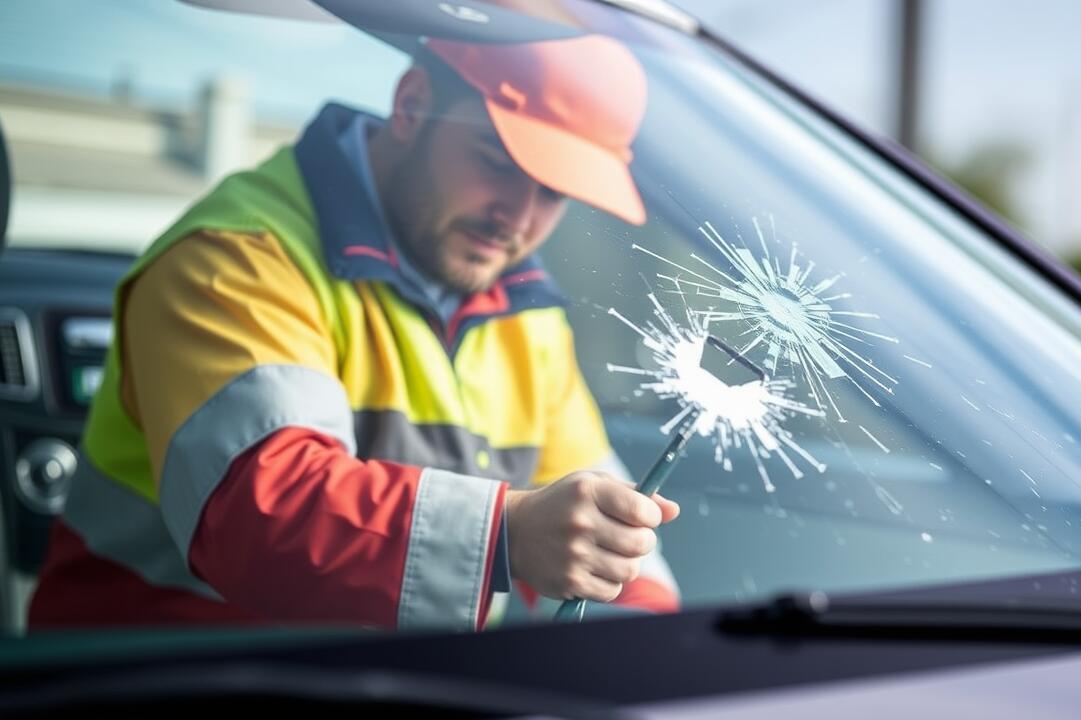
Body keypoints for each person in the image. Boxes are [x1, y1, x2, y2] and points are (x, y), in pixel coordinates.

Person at [28, 33, 681, 630]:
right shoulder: (235, 256)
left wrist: (651, 640)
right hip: (152, 679)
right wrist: (505, 536)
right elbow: (262, 517)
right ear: (412, 104)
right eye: (497, 161)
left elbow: (600, 518)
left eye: (553, 193)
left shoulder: (526, 311)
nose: (518, 218)